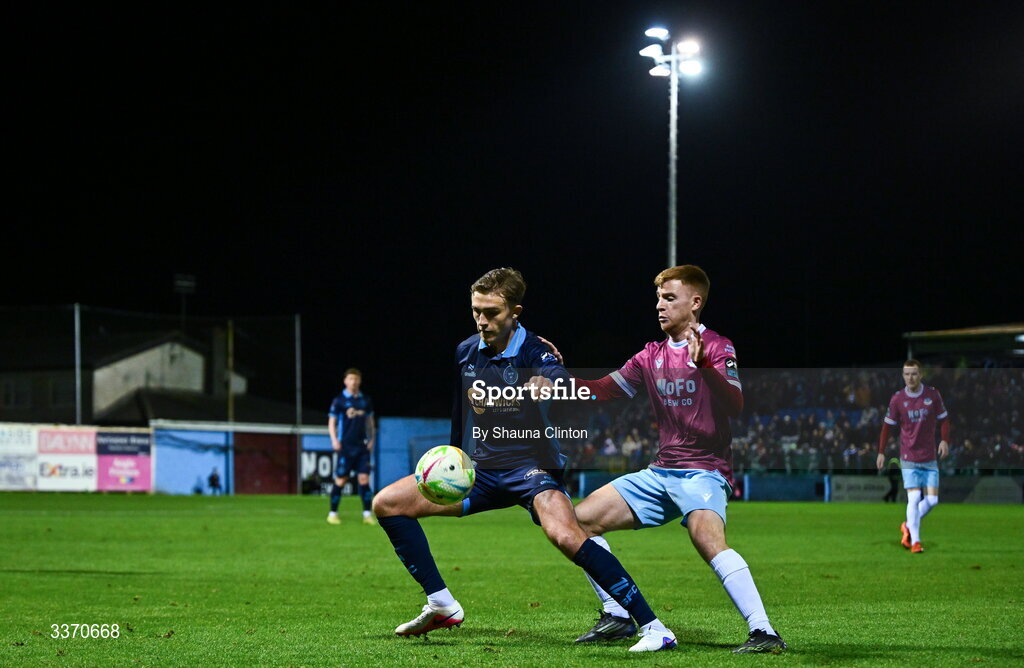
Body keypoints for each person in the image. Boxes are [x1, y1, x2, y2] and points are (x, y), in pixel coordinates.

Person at [372, 268, 676, 652]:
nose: (482, 320)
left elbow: (557, 377)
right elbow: (460, 411)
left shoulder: (536, 351)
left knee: (566, 535)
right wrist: (451, 457)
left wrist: (549, 382)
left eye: (492, 312)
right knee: (388, 504)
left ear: (515, 311)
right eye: (476, 311)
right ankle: (442, 604)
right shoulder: (466, 351)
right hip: (480, 470)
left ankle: (654, 627)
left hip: (531, 470)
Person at [542, 265, 786, 654]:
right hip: (661, 472)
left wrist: (704, 365)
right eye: (658, 298)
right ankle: (617, 615)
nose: (659, 306)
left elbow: (736, 404)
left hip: (704, 471)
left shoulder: (719, 346)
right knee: (578, 522)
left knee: (707, 538)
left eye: (669, 298)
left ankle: (764, 633)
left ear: (695, 302)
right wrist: (557, 376)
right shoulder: (649, 355)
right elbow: (603, 390)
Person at [875, 359, 949, 553]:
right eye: (907, 374)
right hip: (908, 456)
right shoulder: (897, 399)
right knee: (914, 497)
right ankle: (916, 541)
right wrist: (881, 452)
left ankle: (908, 525)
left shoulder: (932, 395)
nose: (910, 377)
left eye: (914, 373)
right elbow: (886, 427)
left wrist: (944, 440)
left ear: (921, 374)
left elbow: (944, 420)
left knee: (932, 501)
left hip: (929, 457)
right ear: (903, 376)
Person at [327, 368, 376, 525]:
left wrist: (371, 439)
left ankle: (367, 514)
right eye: (350, 379)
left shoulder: (365, 401)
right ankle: (332, 513)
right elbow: (332, 422)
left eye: (356, 379)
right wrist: (334, 440)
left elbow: (370, 422)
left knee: (364, 479)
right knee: (341, 480)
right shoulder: (339, 400)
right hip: (346, 446)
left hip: (362, 447)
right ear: (345, 381)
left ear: (359, 381)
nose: (353, 382)